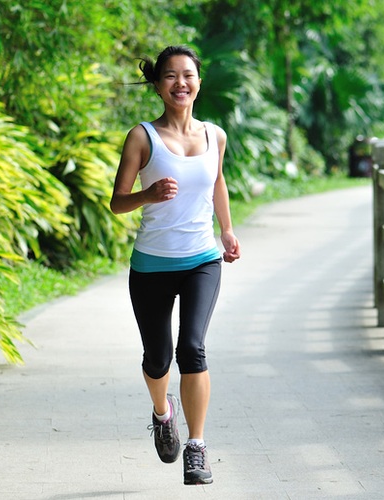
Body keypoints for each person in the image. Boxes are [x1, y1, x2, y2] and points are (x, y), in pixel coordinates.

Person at [110, 45, 241, 486]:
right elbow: (117, 202)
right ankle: (163, 414)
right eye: (170, 76)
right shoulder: (141, 137)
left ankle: (197, 448)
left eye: (188, 75)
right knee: (158, 357)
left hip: (202, 259)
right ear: (158, 84)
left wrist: (226, 230)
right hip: (151, 264)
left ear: (198, 82)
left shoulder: (214, 136)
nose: (180, 83)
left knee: (193, 349)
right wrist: (147, 196)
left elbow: (217, 180)